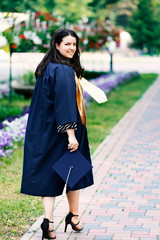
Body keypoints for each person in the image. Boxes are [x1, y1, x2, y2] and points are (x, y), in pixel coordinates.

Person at [21, 28, 94, 239]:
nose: (71, 48)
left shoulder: (47, 67)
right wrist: (71, 135)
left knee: (49, 176)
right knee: (74, 172)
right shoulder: (62, 70)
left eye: (74, 44)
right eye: (67, 44)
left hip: (44, 131)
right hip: (63, 133)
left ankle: (49, 222)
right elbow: (64, 106)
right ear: (56, 45)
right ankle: (74, 216)